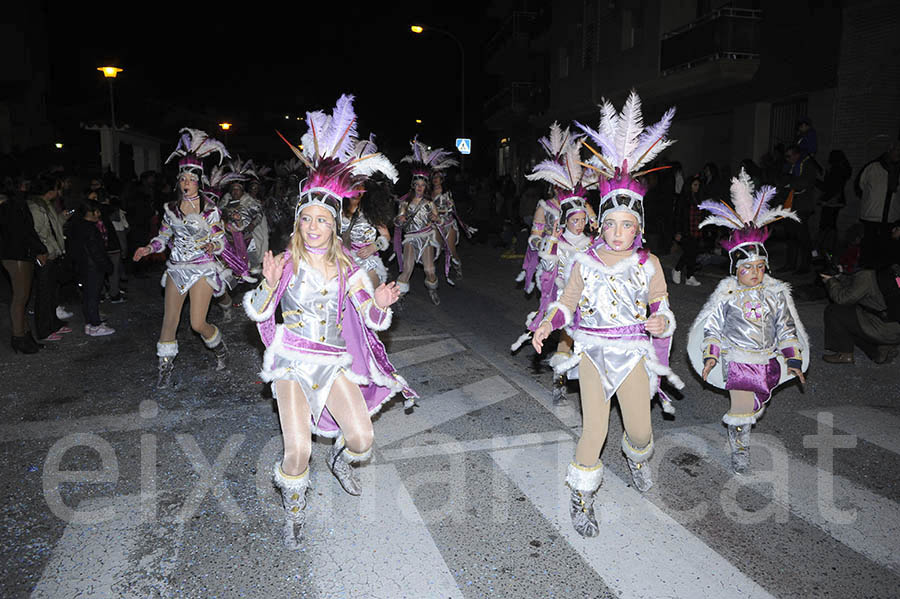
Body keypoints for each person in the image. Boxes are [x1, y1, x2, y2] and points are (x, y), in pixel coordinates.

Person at [246, 94, 415, 548]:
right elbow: (260, 313)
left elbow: (372, 318)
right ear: (299, 222)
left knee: (362, 439)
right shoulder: (286, 262)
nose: (315, 226)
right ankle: (295, 504)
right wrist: (266, 286)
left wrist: (380, 302)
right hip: (291, 362)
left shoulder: (349, 269)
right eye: (308, 219)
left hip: (332, 362)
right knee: (297, 449)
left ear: (335, 224)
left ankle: (341, 460)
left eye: (323, 219)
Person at [532, 92, 683, 537]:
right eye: (611, 223)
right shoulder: (584, 261)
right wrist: (548, 322)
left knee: (639, 432)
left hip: (632, 352)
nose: (618, 232)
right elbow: (566, 304)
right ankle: (582, 498)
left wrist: (661, 321)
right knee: (593, 428)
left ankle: (637, 459)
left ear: (639, 227)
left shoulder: (648, 264)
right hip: (594, 352)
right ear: (601, 223)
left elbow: (662, 306)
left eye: (628, 225)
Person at [688, 169, 810, 474]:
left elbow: (786, 326)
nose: (754, 273)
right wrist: (711, 356)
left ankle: (742, 427)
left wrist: (793, 360)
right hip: (738, 361)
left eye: (760, 267)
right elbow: (713, 328)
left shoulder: (775, 292)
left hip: (767, 362)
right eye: (747, 268)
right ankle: (739, 448)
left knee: (759, 404)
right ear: (736, 270)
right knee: (741, 409)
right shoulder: (727, 294)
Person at [133, 128, 232, 386]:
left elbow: (220, 240)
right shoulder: (171, 209)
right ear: (179, 181)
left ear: (199, 181)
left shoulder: (210, 210)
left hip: (201, 268)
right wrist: (148, 248)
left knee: (197, 323)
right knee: (170, 321)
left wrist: (213, 247)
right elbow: (163, 238)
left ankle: (221, 350)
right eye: (183, 178)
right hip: (177, 268)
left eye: (192, 178)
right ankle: (164, 370)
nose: (186, 182)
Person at [517, 123, 597, 294]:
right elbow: (534, 237)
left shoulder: (582, 205)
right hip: (553, 257)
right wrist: (548, 243)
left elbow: (595, 228)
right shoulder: (544, 207)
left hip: (578, 255)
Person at [821, 223, 900, 364]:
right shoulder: (892, 270)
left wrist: (831, 282)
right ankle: (881, 349)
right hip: (895, 325)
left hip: (885, 329)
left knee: (835, 311)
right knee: (859, 316)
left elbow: (842, 298)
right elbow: (860, 286)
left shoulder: (868, 275)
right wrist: (840, 278)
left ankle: (845, 353)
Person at [395, 137, 446, 305]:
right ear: (412, 185)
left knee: (430, 269)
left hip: (426, 238)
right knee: (408, 269)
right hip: (411, 238)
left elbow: (439, 221)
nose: (419, 187)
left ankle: (432, 289)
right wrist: (400, 219)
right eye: (416, 184)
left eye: (422, 185)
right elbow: (398, 222)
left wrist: (436, 218)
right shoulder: (405, 203)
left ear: (426, 187)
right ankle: (398, 297)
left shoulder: (430, 203)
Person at [0, 177, 47, 353]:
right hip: (17, 254)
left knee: (21, 297)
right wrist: (40, 249)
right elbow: (26, 230)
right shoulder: (14, 205)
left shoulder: (9, 204)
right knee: (20, 298)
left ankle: (25, 336)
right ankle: (19, 337)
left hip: (12, 253)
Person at [341, 151, 396, 287]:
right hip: (343, 260)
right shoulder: (338, 210)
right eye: (353, 185)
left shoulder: (371, 210)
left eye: (360, 186)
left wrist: (373, 247)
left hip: (366, 259)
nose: (357, 190)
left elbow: (386, 235)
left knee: (373, 297)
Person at [27, 175, 72, 340]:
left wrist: (63, 217)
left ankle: (53, 324)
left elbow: (53, 227)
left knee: (52, 292)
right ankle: (44, 330)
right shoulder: (35, 207)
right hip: (45, 254)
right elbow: (38, 233)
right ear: (50, 190)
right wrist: (45, 251)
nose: (58, 192)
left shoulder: (45, 204)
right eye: (56, 188)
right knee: (44, 293)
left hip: (53, 253)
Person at [69, 199, 116, 336]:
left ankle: (90, 323)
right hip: (92, 267)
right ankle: (95, 325)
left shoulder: (78, 225)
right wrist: (107, 265)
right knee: (93, 297)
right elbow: (95, 251)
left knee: (88, 296)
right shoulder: (89, 228)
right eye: (97, 211)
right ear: (90, 212)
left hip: (83, 266)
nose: (99, 214)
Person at [856, 142, 900, 267]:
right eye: (897, 150)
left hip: (892, 218)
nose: (899, 153)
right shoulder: (872, 167)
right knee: (869, 249)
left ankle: (883, 277)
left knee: (887, 251)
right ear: (889, 150)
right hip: (872, 216)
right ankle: (867, 277)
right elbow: (860, 187)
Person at [432, 169, 476, 285]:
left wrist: (437, 211)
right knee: (434, 248)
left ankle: (457, 267)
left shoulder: (446, 193)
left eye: (438, 177)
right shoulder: (429, 193)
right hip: (435, 225)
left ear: (442, 180)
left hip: (448, 224)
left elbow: (451, 208)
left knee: (451, 250)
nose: (435, 179)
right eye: (434, 177)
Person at [672, 174, 704, 286]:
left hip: (696, 229)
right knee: (688, 252)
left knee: (693, 253)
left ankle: (689, 276)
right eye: (695, 185)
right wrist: (678, 231)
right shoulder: (684, 198)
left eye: (698, 185)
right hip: (686, 229)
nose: (697, 187)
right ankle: (677, 269)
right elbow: (678, 216)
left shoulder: (698, 198)